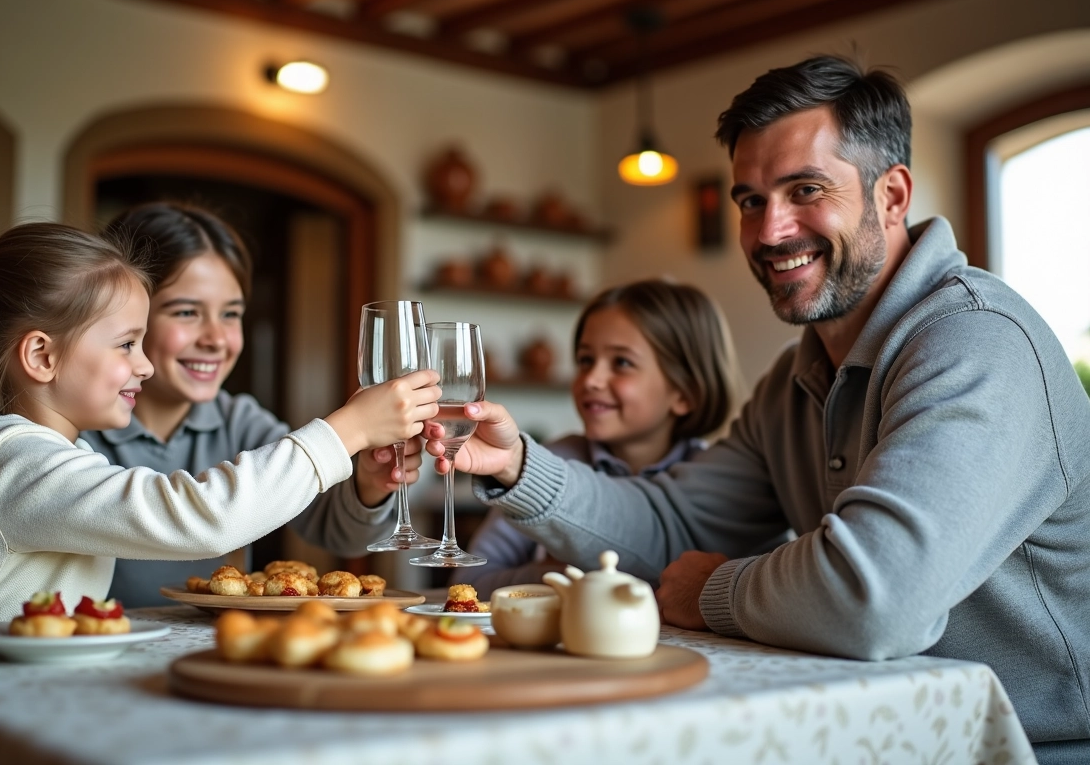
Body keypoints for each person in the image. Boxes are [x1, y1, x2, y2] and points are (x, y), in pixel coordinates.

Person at [428, 56, 1090, 761]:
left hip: (1035, 747)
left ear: (892, 196)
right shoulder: (791, 379)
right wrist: (520, 466)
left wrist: (712, 589)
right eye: (750, 200)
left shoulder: (978, 342)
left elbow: (875, 599)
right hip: (883, 732)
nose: (771, 231)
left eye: (806, 189)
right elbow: (671, 524)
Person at [0, 222, 440, 623]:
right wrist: (347, 431)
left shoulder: (38, 453)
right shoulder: (6, 458)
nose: (143, 364)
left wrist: (363, 470)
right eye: (126, 343)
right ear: (42, 357)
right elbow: (200, 518)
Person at [83, 203, 420, 607]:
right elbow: (205, 519)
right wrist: (352, 428)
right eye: (187, 312)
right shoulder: (78, 430)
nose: (216, 338)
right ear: (128, 317)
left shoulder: (240, 421)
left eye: (231, 314)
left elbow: (339, 532)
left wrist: (369, 484)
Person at [450, 279, 743, 598]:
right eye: (585, 360)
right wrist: (550, 575)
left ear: (685, 393)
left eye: (622, 362)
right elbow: (469, 584)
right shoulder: (546, 465)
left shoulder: (712, 478)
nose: (591, 379)